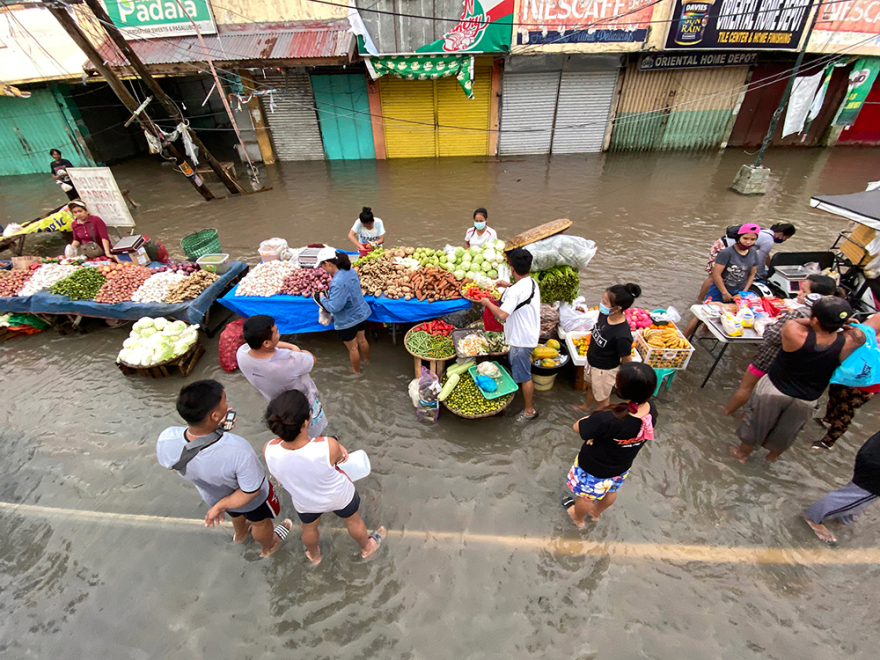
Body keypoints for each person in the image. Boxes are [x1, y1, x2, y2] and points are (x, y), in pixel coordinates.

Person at [156, 380, 292, 558]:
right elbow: (251, 491)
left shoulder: (166, 438)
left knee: (235, 514)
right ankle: (269, 545)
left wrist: (216, 430)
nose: (227, 405)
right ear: (214, 415)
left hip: (212, 495)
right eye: (224, 401)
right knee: (260, 522)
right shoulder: (238, 449)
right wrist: (221, 506)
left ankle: (240, 534)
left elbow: (169, 464)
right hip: (249, 501)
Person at [731, 297, 863, 464]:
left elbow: (796, 322)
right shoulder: (849, 342)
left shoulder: (795, 332)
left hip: (775, 389)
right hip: (807, 398)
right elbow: (860, 334)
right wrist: (839, 324)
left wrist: (817, 320)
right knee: (788, 430)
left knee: (756, 423)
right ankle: (771, 458)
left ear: (814, 319)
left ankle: (741, 455)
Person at [263, 390, 386, 565]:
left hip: (305, 501)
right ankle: (367, 547)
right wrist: (337, 445)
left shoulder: (268, 450)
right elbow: (337, 458)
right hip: (338, 495)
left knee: (309, 529)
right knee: (353, 521)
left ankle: (314, 555)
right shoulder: (328, 445)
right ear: (307, 420)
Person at [723, 274, 837, 416]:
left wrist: (771, 324)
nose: (799, 293)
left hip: (769, 359)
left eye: (804, 291)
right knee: (764, 396)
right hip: (792, 368)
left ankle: (727, 412)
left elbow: (773, 336)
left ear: (814, 297)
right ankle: (744, 417)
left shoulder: (799, 314)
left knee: (747, 388)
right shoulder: (832, 319)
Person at [563, 362, 659, 527]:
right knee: (611, 490)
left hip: (594, 467)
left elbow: (577, 427)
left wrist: (592, 422)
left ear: (621, 390)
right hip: (621, 466)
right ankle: (595, 514)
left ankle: (577, 518)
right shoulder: (651, 411)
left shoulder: (609, 418)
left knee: (586, 496)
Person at [237, 314, 328, 438]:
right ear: (266, 343)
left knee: (294, 435)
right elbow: (312, 359)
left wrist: (289, 346)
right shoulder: (288, 361)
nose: (279, 331)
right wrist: (295, 349)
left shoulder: (242, 354)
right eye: (276, 331)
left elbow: (269, 347)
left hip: (279, 407)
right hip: (303, 404)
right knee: (316, 433)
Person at [480, 247, 541, 421]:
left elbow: (502, 314)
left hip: (521, 340)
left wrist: (487, 303)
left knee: (524, 376)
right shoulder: (531, 282)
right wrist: (506, 285)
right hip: (529, 333)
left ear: (512, 269)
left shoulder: (515, 291)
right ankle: (522, 400)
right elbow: (519, 292)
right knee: (521, 371)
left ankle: (529, 411)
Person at [812, 312, 880, 451]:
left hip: (867, 381)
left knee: (845, 410)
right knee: (835, 395)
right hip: (853, 369)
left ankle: (828, 442)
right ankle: (828, 420)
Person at [804, 430, 880, 544]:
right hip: (876, 465)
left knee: (858, 492)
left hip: (871, 451)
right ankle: (812, 517)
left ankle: (844, 518)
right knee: (861, 494)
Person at [684, 223, 760, 337]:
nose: (748, 242)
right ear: (738, 237)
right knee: (701, 316)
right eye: (745, 238)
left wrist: (743, 293)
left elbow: (751, 274)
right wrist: (724, 292)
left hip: (738, 292)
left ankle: (703, 336)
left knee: (725, 317)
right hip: (719, 290)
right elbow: (716, 274)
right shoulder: (727, 253)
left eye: (752, 239)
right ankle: (684, 338)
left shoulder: (753, 253)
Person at [577, 283, 642, 413]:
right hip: (592, 362)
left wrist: (624, 379)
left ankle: (598, 418)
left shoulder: (622, 335)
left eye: (605, 302)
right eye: (602, 300)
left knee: (602, 399)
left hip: (604, 370)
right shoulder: (604, 315)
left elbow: (626, 359)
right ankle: (585, 407)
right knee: (590, 387)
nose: (601, 304)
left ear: (617, 308)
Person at [317, 248, 372, 374]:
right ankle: (368, 361)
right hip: (361, 312)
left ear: (328, 263)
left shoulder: (337, 283)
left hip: (347, 320)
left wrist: (322, 298)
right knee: (362, 340)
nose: (323, 269)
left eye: (323, 266)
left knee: (353, 348)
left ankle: (356, 372)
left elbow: (334, 307)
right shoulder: (350, 271)